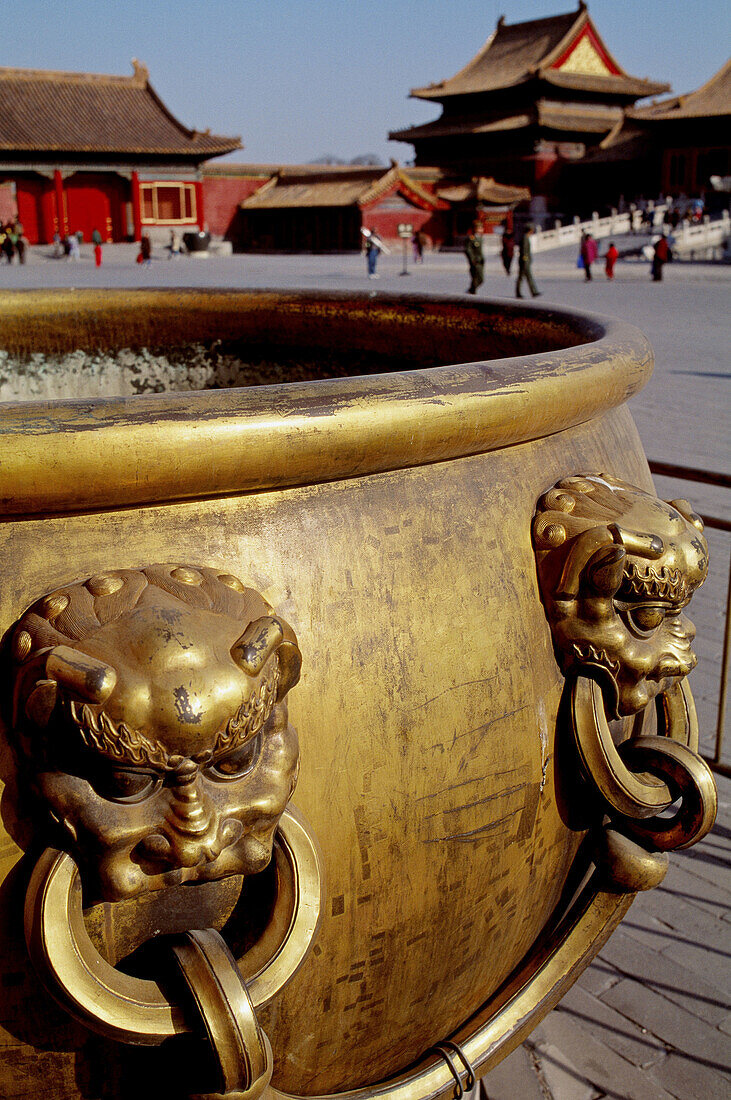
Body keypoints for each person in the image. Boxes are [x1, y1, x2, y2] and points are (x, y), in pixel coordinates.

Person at [515, 225, 540, 299]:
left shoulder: (525, 237)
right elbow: (524, 251)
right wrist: (525, 260)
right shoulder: (525, 238)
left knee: (521, 277)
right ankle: (533, 291)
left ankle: (520, 292)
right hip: (524, 261)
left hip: (524, 260)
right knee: (527, 277)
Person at [464, 224, 484, 295]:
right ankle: (472, 292)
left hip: (480, 261)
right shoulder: (471, 238)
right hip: (475, 261)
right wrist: (472, 259)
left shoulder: (480, 238)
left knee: (480, 279)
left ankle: (471, 290)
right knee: (476, 278)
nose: (481, 229)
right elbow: (468, 250)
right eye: (479, 228)